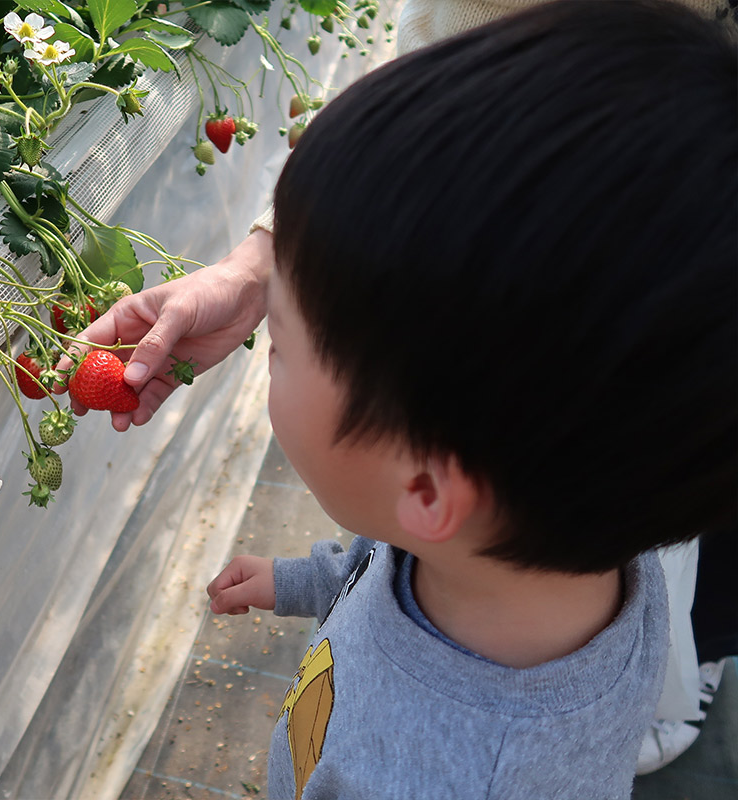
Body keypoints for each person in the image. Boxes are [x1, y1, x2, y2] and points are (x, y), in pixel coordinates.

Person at [89, 1, 736, 796]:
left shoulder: (447, 775)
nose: (265, 360)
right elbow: (390, 563)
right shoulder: (565, 549)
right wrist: (300, 581)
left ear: (427, 488)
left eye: (281, 346)